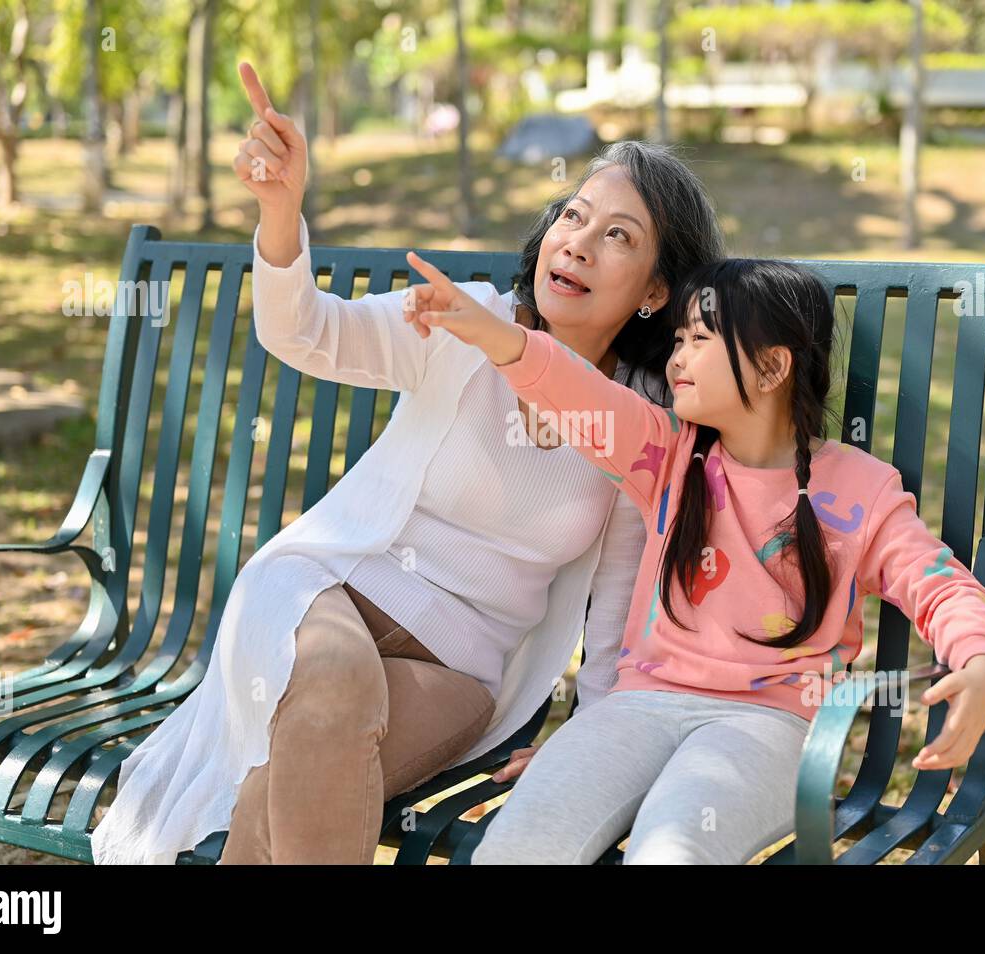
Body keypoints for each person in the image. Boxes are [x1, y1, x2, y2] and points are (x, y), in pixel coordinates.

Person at [88, 62, 727, 864]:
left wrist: (586, 744)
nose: (578, 244)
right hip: (330, 593)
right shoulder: (466, 319)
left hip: (460, 667)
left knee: (297, 769)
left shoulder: (635, 423)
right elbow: (308, 334)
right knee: (330, 690)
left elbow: (614, 614)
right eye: (574, 215)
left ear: (654, 293)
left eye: (618, 237)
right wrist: (282, 211)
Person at [397, 253, 985, 864]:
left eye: (700, 339)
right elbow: (573, 391)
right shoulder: (664, 454)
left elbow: (941, 586)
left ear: (771, 367)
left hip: (766, 731)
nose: (677, 357)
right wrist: (489, 331)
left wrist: (981, 661)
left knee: (673, 851)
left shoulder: (862, 491)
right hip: (634, 711)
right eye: (678, 339)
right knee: (519, 847)